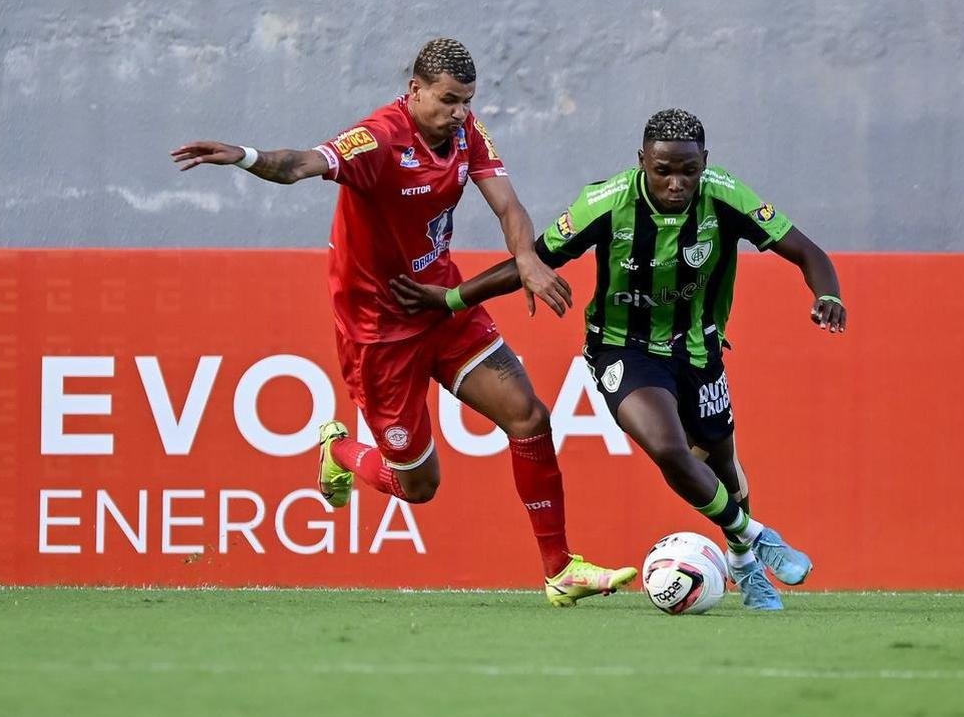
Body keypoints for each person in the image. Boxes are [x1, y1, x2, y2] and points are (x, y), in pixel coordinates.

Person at [170, 38, 636, 607]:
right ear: (415, 90)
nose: (460, 113)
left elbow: (508, 205)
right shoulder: (377, 140)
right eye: (448, 100)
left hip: (440, 307)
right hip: (378, 334)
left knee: (529, 416)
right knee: (419, 486)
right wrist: (244, 155)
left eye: (467, 101)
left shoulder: (466, 132)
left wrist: (527, 260)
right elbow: (299, 165)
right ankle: (340, 452)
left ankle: (560, 570)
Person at [391, 108, 846, 610]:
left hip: (700, 348)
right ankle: (758, 538)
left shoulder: (725, 195)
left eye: (689, 171)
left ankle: (742, 560)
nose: (676, 183)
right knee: (668, 447)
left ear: (705, 162)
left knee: (720, 463)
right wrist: (451, 299)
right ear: (642, 161)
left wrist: (828, 294)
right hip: (623, 347)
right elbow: (533, 260)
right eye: (663, 170)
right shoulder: (605, 203)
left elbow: (809, 253)